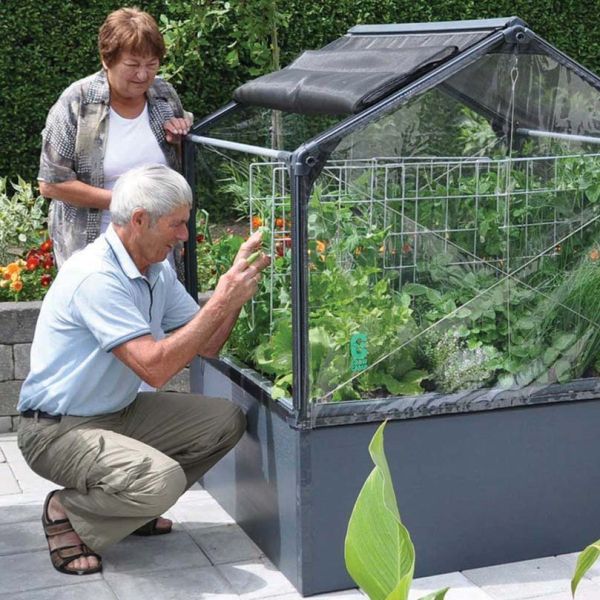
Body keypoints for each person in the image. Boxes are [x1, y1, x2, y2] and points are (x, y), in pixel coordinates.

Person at [17, 164, 270, 576]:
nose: (184, 235)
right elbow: (155, 369)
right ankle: (67, 510)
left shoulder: (156, 269)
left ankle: (126, 510)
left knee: (224, 421)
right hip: (55, 430)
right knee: (161, 481)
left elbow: (205, 343)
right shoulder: (96, 276)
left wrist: (234, 292)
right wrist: (221, 299)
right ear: (139, 220)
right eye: (177, 224)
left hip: (118, 413)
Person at [38, 7, 192, 271]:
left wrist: (180, 141)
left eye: (152, 65)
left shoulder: (164, 96)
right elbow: (51, 184)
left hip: (157, 249)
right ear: (106, 60)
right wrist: (128, 203)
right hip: (93, 248)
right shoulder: (77, 102)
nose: (143, 75)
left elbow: (182, 168)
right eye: (132, 65)